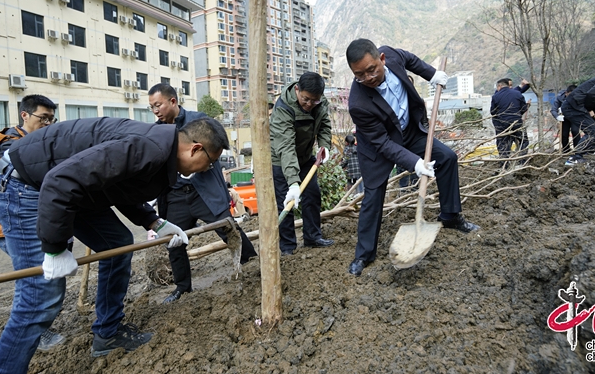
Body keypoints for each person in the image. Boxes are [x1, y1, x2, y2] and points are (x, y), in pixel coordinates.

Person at [0, 116, 226, 372]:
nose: (207, 169)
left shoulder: (158, 149)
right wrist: (55, 248)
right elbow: (60, 182)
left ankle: (108, 333)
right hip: (27, 183)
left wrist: (154, 222)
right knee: (39, 296)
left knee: (116, 244)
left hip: (68, 187)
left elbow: (117, 184)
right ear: (195, 149)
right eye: (210, 163)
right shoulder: (148, 148)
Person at [345, 39, 479, 276]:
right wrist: (415, 163)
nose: (368, 78)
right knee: (374, 194)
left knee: (447, 157)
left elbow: (412, 60)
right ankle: (364, 254)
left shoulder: (393, 55)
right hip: (379, 147)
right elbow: (382, 143)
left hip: (408, 132)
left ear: (382, 60)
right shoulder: (358, 103)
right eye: (360, 75)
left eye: (371, 70)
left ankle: (450, 216)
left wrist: (432, 74)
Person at [149, 83, 257, 304]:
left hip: (203, 191)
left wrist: (224, 188)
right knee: (175, 241)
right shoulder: (157, 131)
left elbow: (216, 150)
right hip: (176, 195)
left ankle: (252, 263)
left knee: (228, 227)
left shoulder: (199, 121)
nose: (155, 111)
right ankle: (183, 287)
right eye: (151, 107)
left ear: (173, 101)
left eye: (158, 105)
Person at [0, 94, 58, 253]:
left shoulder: (35, 139)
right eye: (43, 118)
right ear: (25, 115)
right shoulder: (10, 145)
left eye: (51, 119)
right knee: (37, 271)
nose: (48, 123)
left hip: (23, 216)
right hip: (7, 219)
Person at [270, 71, 334, 256]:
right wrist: (293, 183)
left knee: (312, 194)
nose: (309, 104)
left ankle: (313, 236)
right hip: (281, 159)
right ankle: (288, 247)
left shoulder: (319, 103)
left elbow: (324, 126)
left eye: (314, 101)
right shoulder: (283, 108)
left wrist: (324, 146)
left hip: (305, 157)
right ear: (297, 89)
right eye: (306, 99)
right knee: (287, 202)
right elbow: (286, 146)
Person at [491, 78, 529, 165]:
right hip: (517, 122)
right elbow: (524, 108)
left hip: (502, 125)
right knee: (523, 141)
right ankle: (522, 162)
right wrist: (516, 115)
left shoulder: (496, 96)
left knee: (503, 144)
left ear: (499, 86)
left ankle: (504, 165)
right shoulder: (517, 93)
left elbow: (493, 112)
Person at [550, 85, 579, 153]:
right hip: (564, 118)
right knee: (564, 134)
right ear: (566, 93)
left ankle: (577, 150)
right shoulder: (559, 98)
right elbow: (553, 109)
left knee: (575, 131)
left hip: (575, 117)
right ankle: (566, 150)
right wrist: (557, 116)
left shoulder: (578, 96)